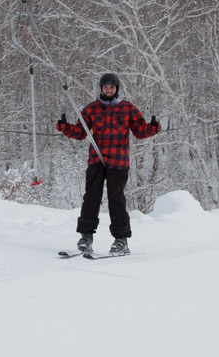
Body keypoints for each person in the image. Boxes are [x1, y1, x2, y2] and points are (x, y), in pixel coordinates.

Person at [56, 73, 160, 255]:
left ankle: (121, 240)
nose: (109, 90)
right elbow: (80, 132)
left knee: (116, 199)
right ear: (101, 88)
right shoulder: (92, 109)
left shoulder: (127, 108)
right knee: (91, 198)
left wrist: (151, 128)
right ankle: (85, 237)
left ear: (117, 89)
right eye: (106, 87)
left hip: (118, 161)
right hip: (97, 159)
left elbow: (139, 131)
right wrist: (66, 128)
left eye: (112, 87)